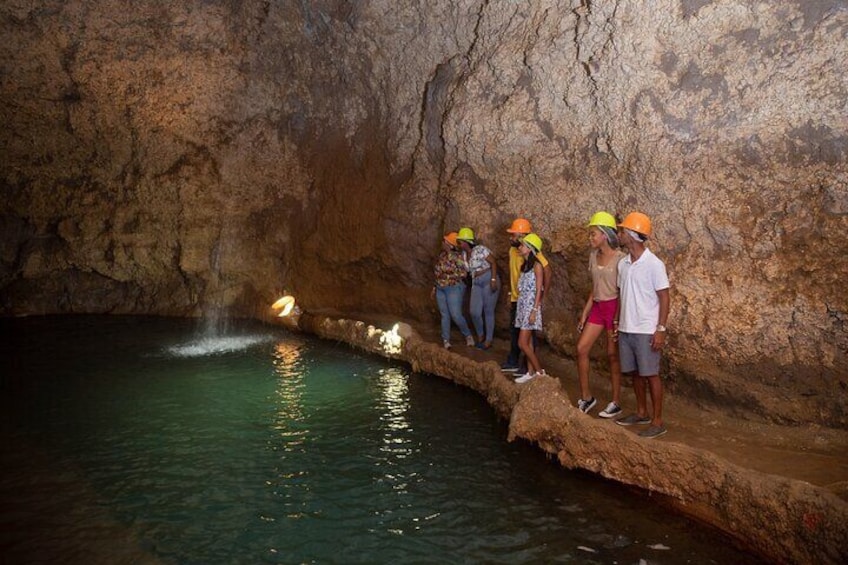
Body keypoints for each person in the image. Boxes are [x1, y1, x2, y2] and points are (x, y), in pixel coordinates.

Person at [613, 212, 670, 439]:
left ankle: (658, 421)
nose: (619, 235)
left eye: (622, 231)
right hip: (627, 327)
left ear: (632, 235)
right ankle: (641, 412)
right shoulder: (623, 264)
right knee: (636, 372)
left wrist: (660, 329)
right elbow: (620, 294)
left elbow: (664, 297)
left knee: (651, 374)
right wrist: (618, 323)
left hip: (646, 328)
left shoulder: (654, 264)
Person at [575, 212, 626, 417]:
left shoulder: (621, 259)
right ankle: (587, 398)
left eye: (593, 234)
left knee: (613, 355)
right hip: (597, 306)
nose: (591, 238)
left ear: (604, 235)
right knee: (581, 349)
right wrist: (584, 314)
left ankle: (615, 402)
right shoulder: (592, 257)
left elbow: (623, 291)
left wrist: (617, 318)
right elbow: (594, 288)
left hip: (613, 307)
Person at [501, 218, 551, 373]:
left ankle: (534, 370)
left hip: (529, 304)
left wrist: (542, 299)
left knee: (527, 339)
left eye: (514, 235)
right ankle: (523, 367)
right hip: (519, 299)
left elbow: (546, 273)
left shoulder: (537, 261)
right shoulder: (515, 254)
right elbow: (514, 275)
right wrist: (511, 292)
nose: (512, 238)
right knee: (516, 333)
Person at [457, 227, 500, 349]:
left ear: (466, 242)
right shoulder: (464, 255)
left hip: (488, 279)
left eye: (460, 241)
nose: (459, 244)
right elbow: (466, 272)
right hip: (476, 282)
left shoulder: (480, 249)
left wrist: (493, 279)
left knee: (488, 311)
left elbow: (493, 263)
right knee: (474, 311)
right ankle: (481, 334)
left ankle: (488, 340)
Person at [432, 232, 475, 349]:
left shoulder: (458, 257)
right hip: (441, 288)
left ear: (450, 244)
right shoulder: (442, 255)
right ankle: (446, 340)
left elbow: (464, 273)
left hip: (453, 288)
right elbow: (437, 272)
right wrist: (435, 286)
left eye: (444, 241)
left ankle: (468, 336)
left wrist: (447, 277)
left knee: (455, 315)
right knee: (444, 315)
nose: (442, 242)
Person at [514, 233, 546, 384]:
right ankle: (530, 371)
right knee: (529, 343)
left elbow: (540, 289)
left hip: (530, 307)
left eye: (523, 245)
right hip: (523, 306)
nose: (520, 247)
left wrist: (534, 310)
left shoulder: (537, 266)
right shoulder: (525, 266)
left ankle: (540, 372)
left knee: (522, 343)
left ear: (531, 249)